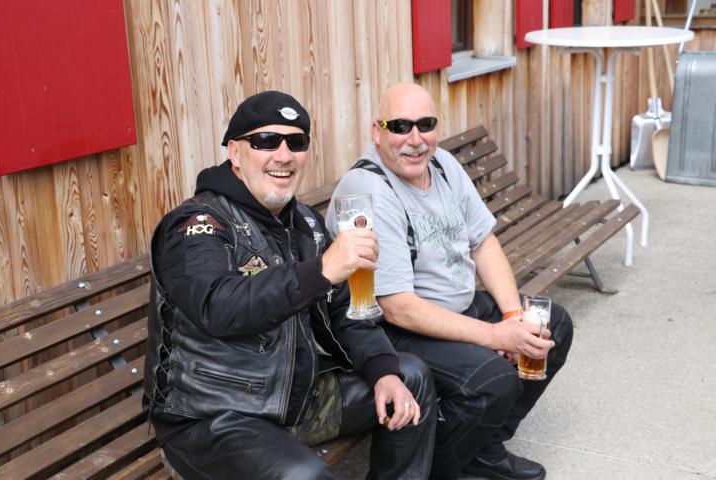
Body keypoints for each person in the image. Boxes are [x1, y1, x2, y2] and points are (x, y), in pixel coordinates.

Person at [142, 90, 437, 479]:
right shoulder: (198, 225)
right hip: (213, 416)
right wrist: (321, 270)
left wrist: (383, 371)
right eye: (266, 141)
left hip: (294, 398)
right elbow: (218, 307)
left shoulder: (305, 223)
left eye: (296, 142)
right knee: (305, 476)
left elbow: (343, 312)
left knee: (409, 379)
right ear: (235, 152)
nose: (283, 155)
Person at [326, 83, 574, 480]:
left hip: (456, 305)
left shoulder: (441, 164)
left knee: (552, 325)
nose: (415, 138)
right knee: (491, 381)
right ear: (377, 132)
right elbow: (397, 307)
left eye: (425, 124)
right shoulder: (369, 190)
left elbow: (483, 242)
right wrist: (495, 337)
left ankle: (482, 449)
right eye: (400, 126)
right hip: (397, 329)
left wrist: (513, 318)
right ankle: (443, 466)